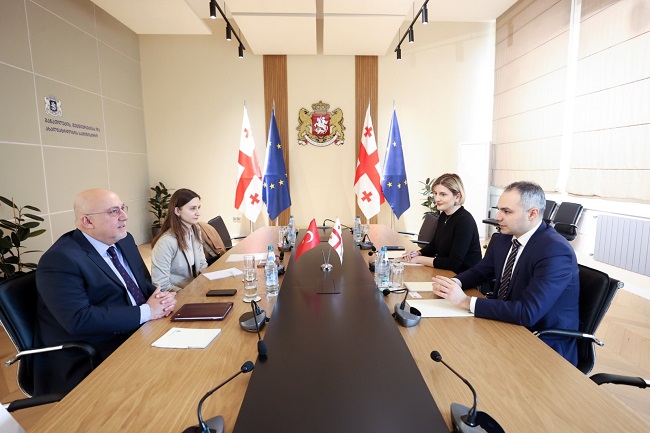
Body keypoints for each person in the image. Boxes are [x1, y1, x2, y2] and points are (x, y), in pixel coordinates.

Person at [35, 189, 177, 394]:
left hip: (136, 331)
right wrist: (148, 311)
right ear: (87, 221)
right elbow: (79, 319)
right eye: (113, 211)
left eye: (123, 208)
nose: (124, 216)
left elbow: (141, 284)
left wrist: (161, 298)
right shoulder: (60, 259)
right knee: (169, 381)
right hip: (94, 351)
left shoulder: (124, 240)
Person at [431, 181, 580, 365]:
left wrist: (465, 301)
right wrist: (454, 283)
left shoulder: (555, 250)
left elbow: (528, 312)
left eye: (507, 211)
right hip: (505, 325)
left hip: (542, 342)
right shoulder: (504, 238)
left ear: (532, 213)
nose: (498, 217)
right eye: (498, 209)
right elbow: (481, 271)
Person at [402, 173, 482, 273]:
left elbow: (454, 263)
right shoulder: (444, 215)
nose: (437, 198)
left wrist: (419, 259)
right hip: (446, 273)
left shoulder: (464, 221)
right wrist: (418, 253)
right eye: (435, 193)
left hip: (463, 276)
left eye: (443, 194)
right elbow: (434, 246)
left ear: (457, 197)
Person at [151, 188, 208, 291]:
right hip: (178, 294)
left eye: (198, 208)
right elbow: (161, 285)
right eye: (192, 208)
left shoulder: (195, 229)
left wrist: (209, 283)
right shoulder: (166, 242)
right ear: (177, 211)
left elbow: (202, 264)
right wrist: (189, 295)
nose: (198, 213)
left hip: (196, 288)